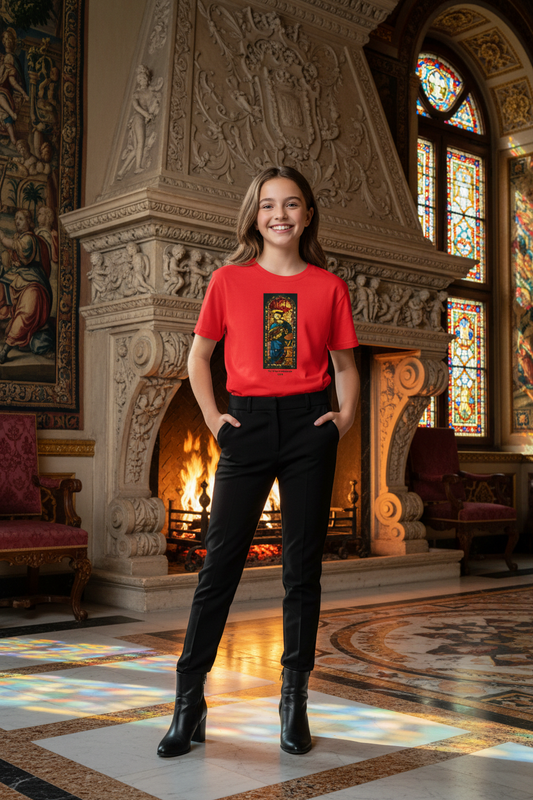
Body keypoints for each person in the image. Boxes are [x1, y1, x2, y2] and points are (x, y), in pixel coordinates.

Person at [157, 165, 359, 759]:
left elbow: (346, 367)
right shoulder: (227, 280)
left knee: (302, 571)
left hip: (308, 427)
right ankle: (188, 702)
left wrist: (343, 421)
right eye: (269, 204)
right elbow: (199, 359)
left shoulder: (329, 287)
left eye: (292, 204)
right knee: (218, 567)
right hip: (244, 426)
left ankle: (293, 701)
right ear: (254, 214)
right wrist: (215, 419)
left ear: (308, 215)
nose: (280, 215)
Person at [0, 208, 53, 363]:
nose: (17, 221)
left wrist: (3, 238)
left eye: (21, 219)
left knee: (27, 311)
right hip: (17, 278)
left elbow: (20, 249)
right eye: (16, 218)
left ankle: (5, 350)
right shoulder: (20, 237)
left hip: (34, 283)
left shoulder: (29, 239)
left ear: (29, 222)